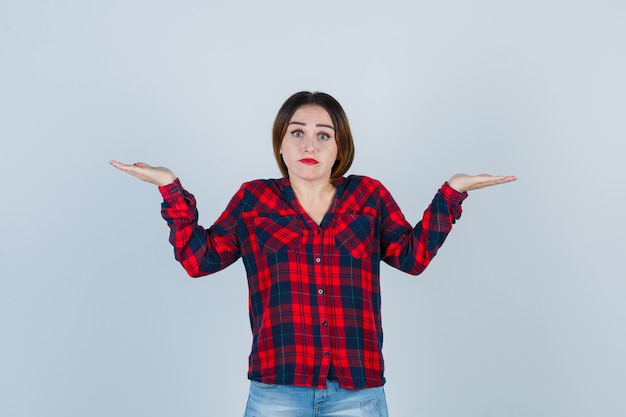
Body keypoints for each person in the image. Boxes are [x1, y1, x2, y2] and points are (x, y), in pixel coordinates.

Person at [110, 91, 516, 416]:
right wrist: (169, 188)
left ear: (339, 146)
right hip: (277, 390)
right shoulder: (254, 200)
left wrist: (453, 192)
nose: (310, 144)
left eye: (323, 134)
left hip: (357, 392)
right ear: (281, 145)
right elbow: (200, 260)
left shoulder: (368, 196)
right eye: (297, 133)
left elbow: (412, 258)